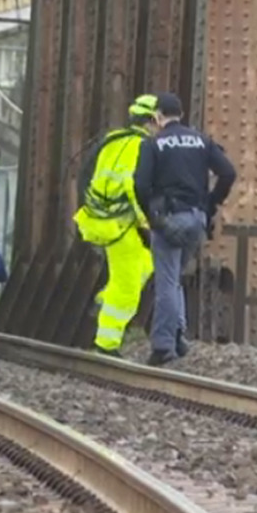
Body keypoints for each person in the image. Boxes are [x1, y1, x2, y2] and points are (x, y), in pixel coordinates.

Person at [133, 91, 237, 366]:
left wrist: (152, 218)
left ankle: (163, 345)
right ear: (181, 114)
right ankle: (178, 337)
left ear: (157, 116)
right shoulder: (202, 140)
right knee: (175, 278)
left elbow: (140, 185)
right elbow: (228, 173)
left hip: (169, 219)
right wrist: (210, 205)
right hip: (196, 220)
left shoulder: (153, 144)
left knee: (166, 282)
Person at [74, 94, 160, 357]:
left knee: (146, 265)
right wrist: (147, 223)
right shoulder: (140, 147)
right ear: (151, 121)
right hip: (121, 226)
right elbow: (133, 188)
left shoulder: (113, 142)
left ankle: (104, 299)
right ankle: (107, 343)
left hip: (101, 220)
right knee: (128, 288)